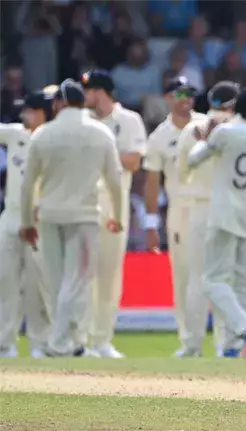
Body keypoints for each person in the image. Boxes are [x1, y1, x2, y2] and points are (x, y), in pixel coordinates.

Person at [19, 79, 123, 357]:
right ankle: (60, 342)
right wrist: (118, 215)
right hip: (84, 217)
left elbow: (28, 184)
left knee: (57, 282)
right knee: (76, 282)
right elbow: (115, 180)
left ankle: (71, 343)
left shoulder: (43, 134)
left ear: (58, 104)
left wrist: (27, 221)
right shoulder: (100, 133)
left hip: (50, 215)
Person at [186, 88, 246, 357]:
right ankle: (236, 346)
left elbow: (193, 160)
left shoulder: (226, 131)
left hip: (223, 213)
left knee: (212, 280)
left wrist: (203, 138)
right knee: (245, 283)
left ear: (235, 108)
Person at [81, 69, 147, 358]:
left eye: (88, 91)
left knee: (108, 276)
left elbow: (133, 161)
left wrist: (102, 153)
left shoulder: (128, 120)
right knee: (81, 276)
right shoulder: (82, 121)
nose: (84, 97)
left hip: (113, 206)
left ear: (100, 91)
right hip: (83, 204)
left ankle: (101, 340)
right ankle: (79, 340)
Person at [143, 76, 207, 357]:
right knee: (183, 276)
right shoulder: (159, 136)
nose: (185, 98)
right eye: (179, 93)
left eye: (189, 93)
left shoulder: (208, 125)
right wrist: (150, 222)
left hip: (209, 205)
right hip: (179, 211)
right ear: (167, 97)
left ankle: (229, 341)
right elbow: (152, 182)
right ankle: (190, 342)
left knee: (214, 275)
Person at [177, 81, 239, 357]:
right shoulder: (242, 129)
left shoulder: (193, 130)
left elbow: (182, 172)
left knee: (197, 279)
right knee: (227, 279)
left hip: (200, 208)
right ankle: (226, 344)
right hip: (231, 209)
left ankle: (192, 345)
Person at [0, 89, 54, 358]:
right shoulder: (15, 134)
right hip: (10, 217)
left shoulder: (54, 140)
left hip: (40, 220)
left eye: (29, 110)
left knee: (37, 286)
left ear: (42, 112)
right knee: (5, 281)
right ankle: (4, 344)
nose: (24, 115)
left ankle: (39, 344)